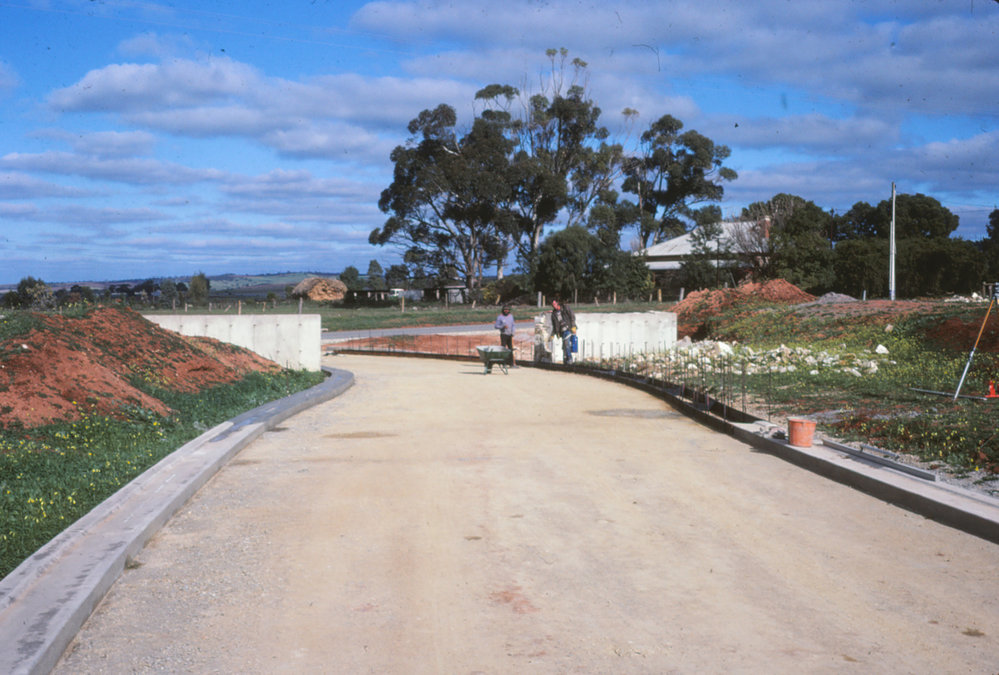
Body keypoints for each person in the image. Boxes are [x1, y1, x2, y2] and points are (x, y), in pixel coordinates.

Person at [550, 298, 576, 364]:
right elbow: (555, 325)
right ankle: (565, 359)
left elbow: (572, 316)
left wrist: (573, 326)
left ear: (557, 303)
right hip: (562, 331)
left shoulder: (565, 308)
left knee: (567, 344)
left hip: (569, 329)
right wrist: (553, 334)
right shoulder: (554, 314)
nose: (554, 306)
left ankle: (569, 359)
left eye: (554, 304)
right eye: (552, 305)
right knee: (564, 346)